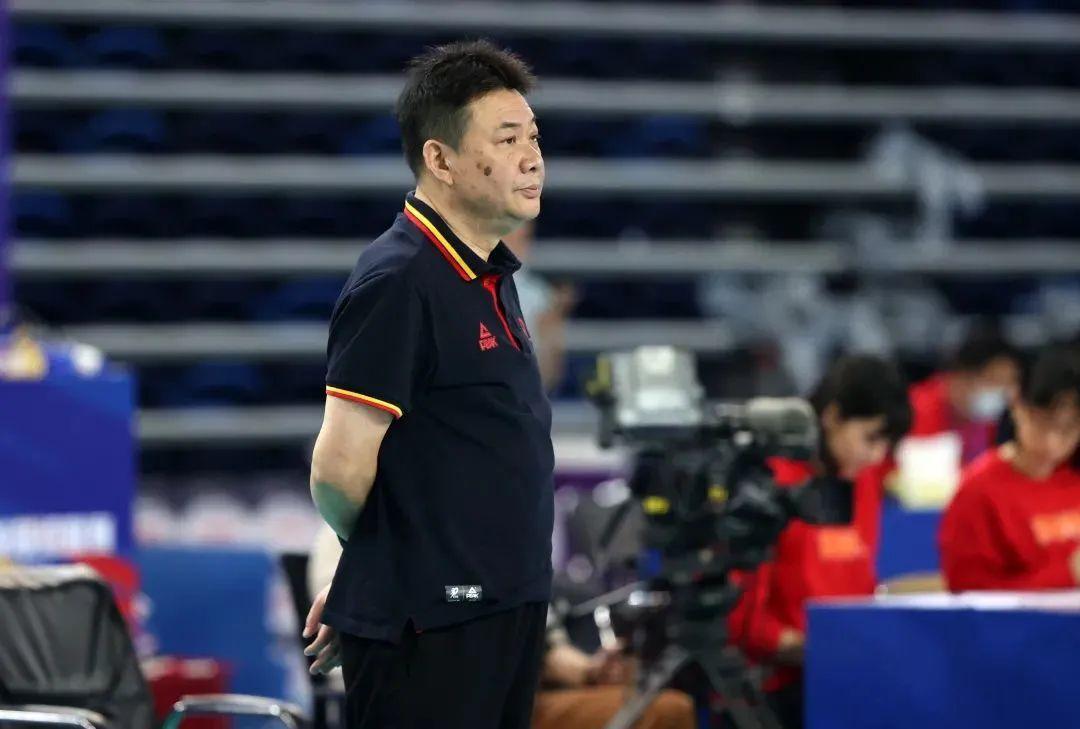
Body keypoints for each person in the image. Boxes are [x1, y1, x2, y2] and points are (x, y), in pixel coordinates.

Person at [303, 40, 553, 729]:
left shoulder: (487, 272)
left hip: (504, 607)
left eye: (534, 137)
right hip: (435, 626)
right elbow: (337, 470)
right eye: (507, 139)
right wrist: (382, 569)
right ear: (440, 160)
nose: (532, 157)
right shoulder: (399, 281)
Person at [306, 523, 694, 729]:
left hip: (515, 693)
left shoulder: (478, 524)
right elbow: (455, 600)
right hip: (432, 700)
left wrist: (589, 671)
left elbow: (543, 642)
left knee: (665, 708)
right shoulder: (350, 534)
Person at [727, 355, 912, 729]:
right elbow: (744, 622)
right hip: (778, 682)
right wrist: (810, 647)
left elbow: (861, 585)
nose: (877, 455)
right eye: (870, 438)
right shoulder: (772, 483)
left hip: (843, 668)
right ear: (832, 416)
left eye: (886, 444)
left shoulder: (864, 480)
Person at [939, 346, 1080, 592]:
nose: (1052, 441)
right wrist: (1066, 574)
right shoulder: (979, 491)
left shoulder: (1073, 478)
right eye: (1041, 423)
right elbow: (967, 591)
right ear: (1017, 406)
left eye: (1068, 428)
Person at [907, 324, 1021, 466]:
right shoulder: (915, 411)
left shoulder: (991, 423)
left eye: (1008, 383)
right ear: (961, 377)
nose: (1003, 393)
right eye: (995, 381)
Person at [501, 221, 576, 392]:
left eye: (524, 237)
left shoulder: (541, 296)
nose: (516, 243)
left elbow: (549, 378)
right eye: (508, 235)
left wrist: (551, 328)